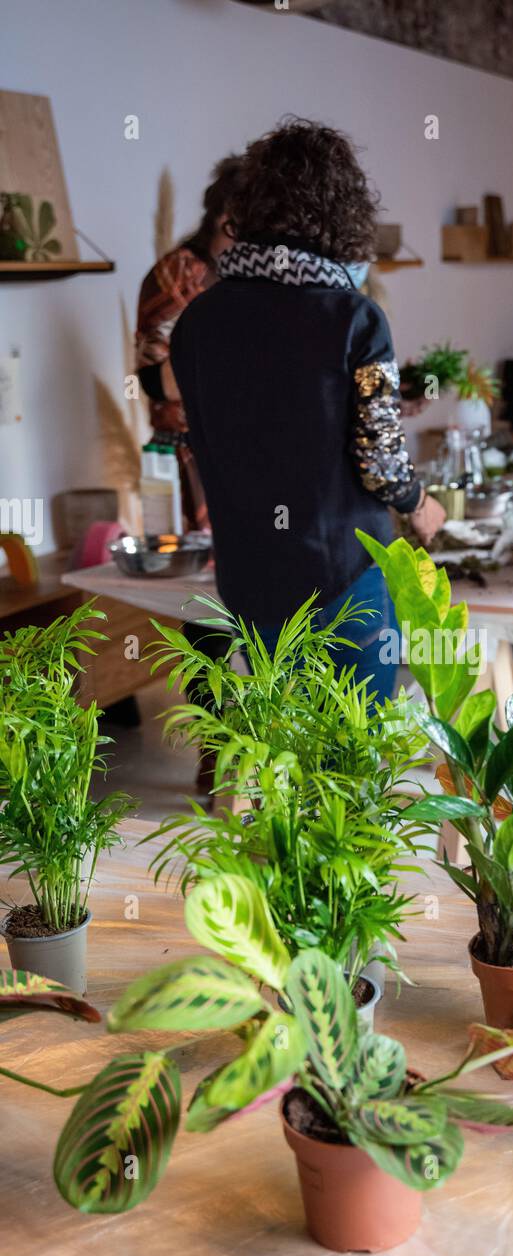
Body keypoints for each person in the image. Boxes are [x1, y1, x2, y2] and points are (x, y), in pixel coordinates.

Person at [169, 118, 445, 703]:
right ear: (343, 213)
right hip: (344, 570)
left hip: (251, 574)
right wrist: (422, 506)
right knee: (355, 755)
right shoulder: (355, 319)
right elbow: (379, 457)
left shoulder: (196, 323)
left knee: (286, 754)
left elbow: (210, 437)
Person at [136, 156, 245, 793]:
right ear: (228, 220)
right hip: (190, 454)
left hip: (236, 452)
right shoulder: (183, 273)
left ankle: (250, 744)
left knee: (249, 597)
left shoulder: (237, 274)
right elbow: (154, 376)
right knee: (206, 609)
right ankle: (212, 752)